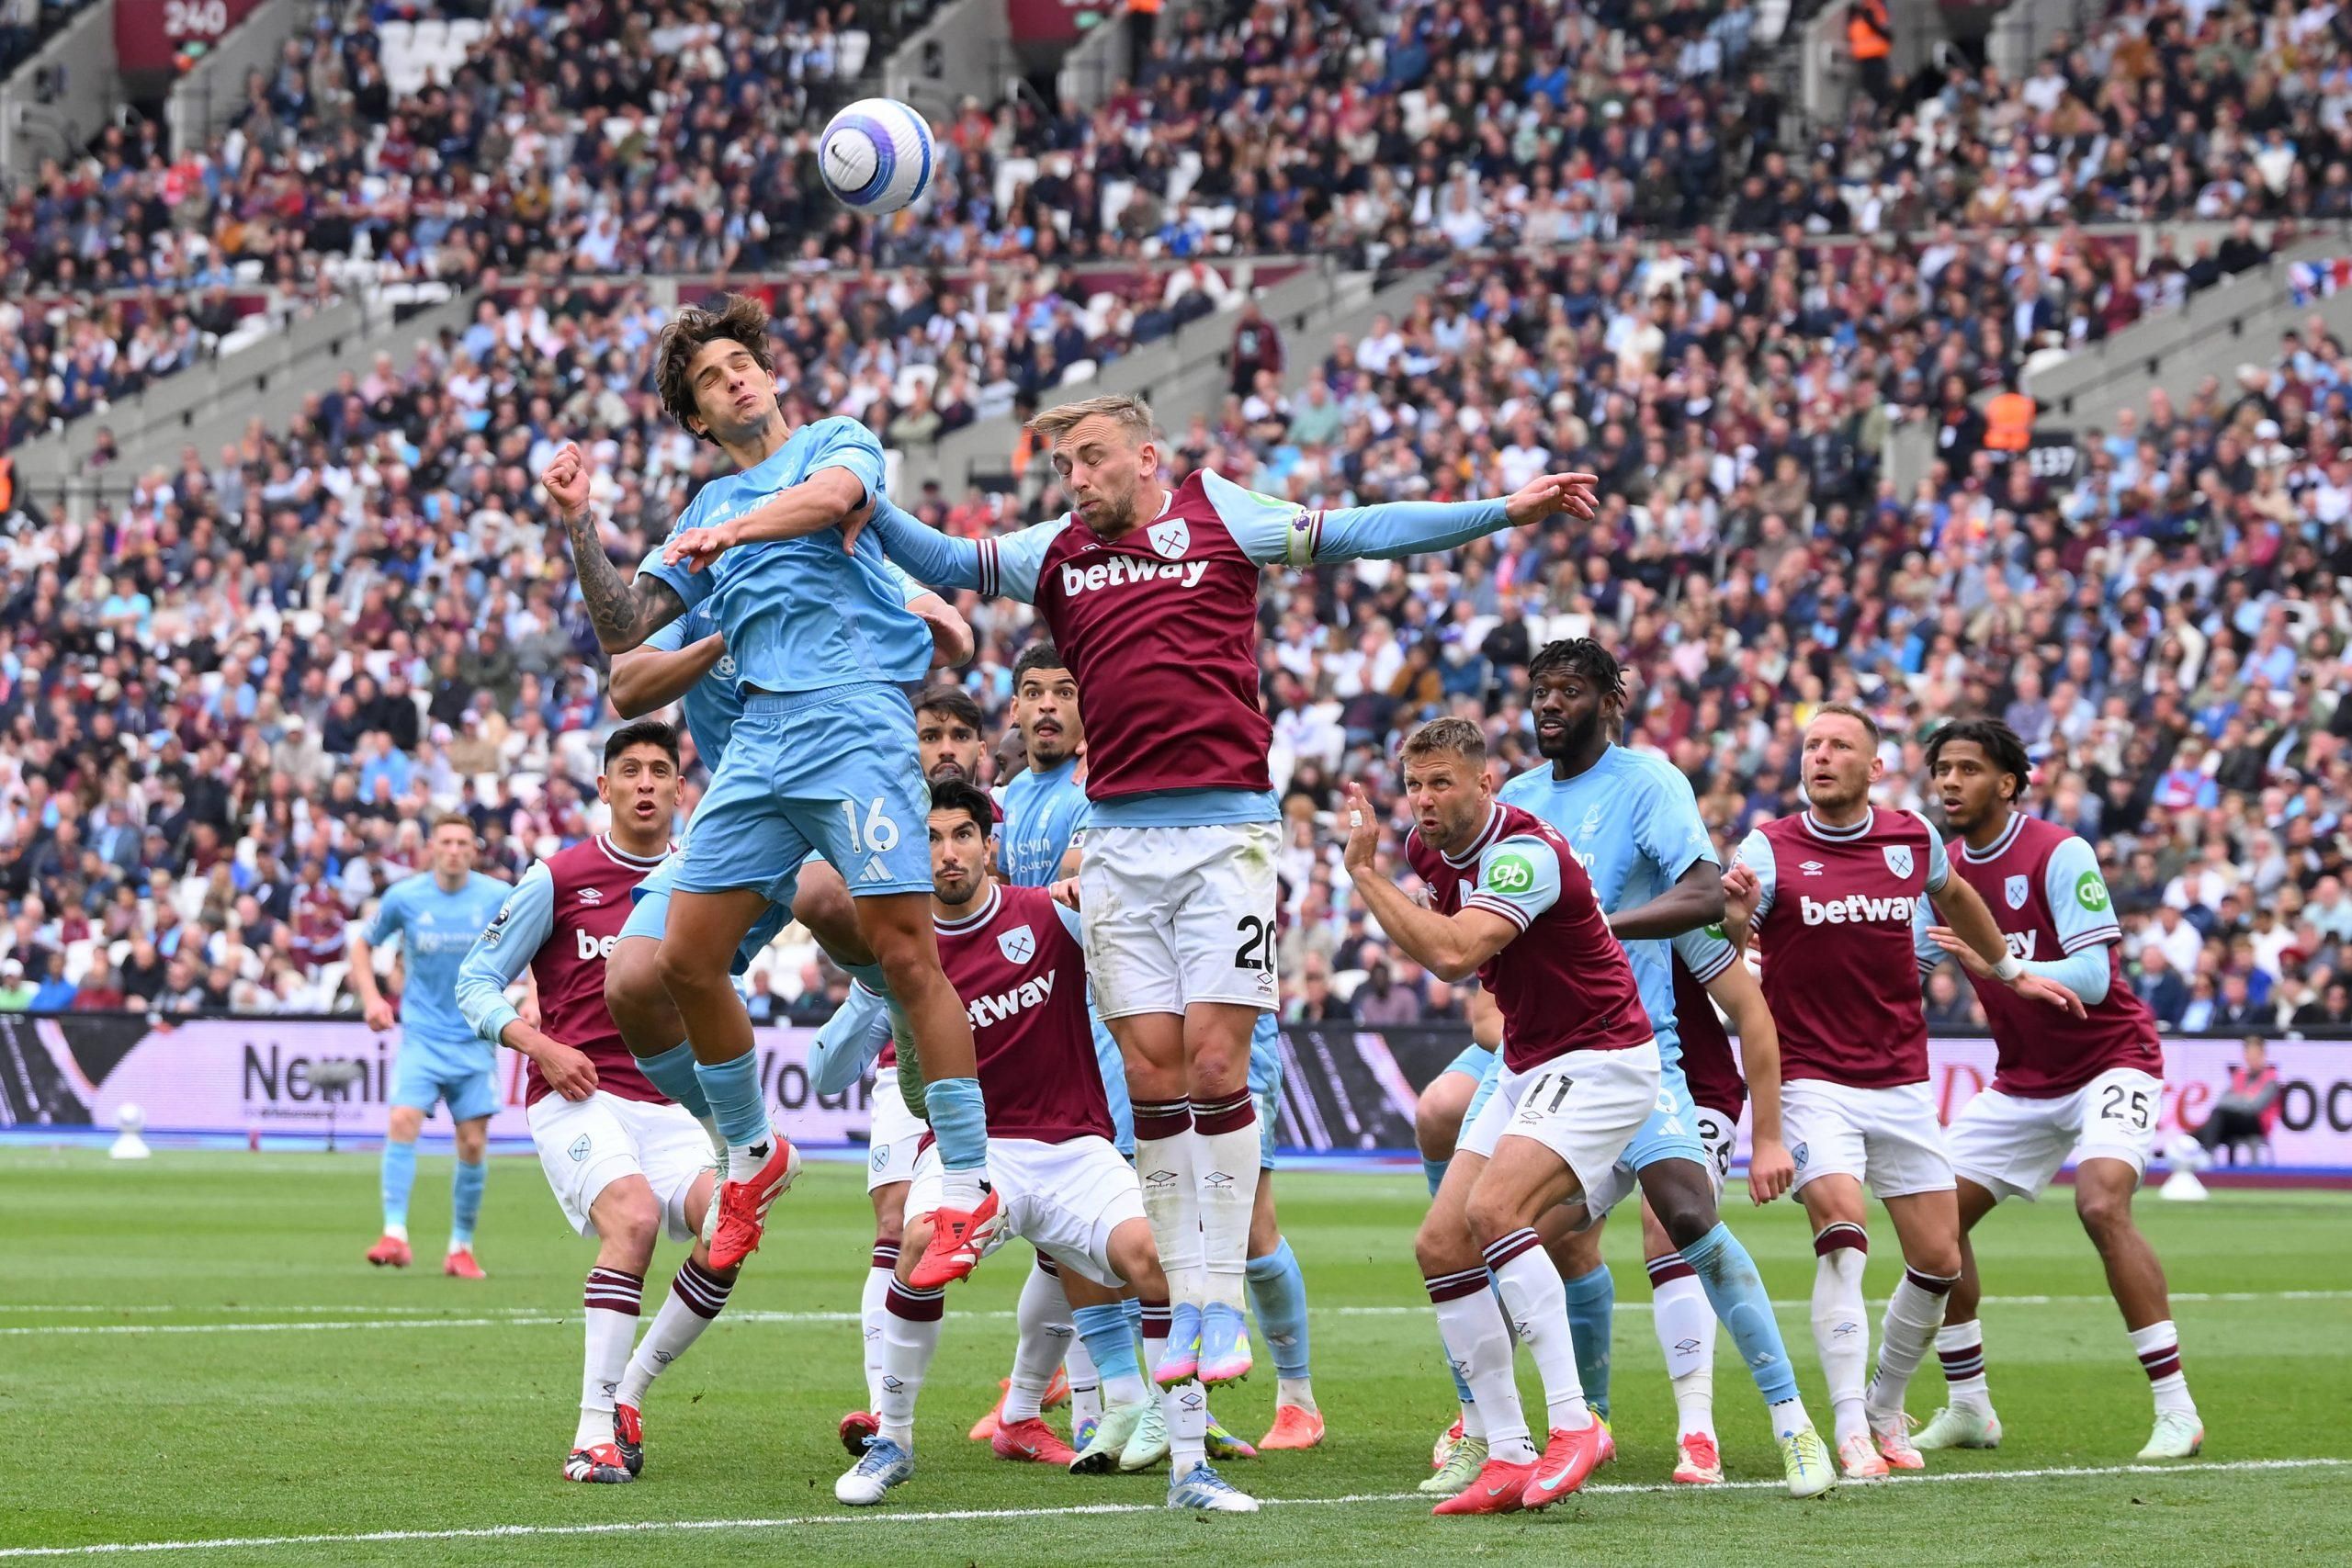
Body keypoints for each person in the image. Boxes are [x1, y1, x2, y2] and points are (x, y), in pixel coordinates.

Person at [709, 390, 1598, 1388]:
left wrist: (1503, 510)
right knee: (1151, 1078)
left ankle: (1216, 1302)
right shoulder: (1055, 551)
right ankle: (1181, 1303)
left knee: (1218, 1065)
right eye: (1061, 467)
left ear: (1143, 457)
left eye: (1089, 460)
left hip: (1228, 835)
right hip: (1120, 840)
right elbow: (954, 565)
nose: (1074, 479)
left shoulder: (1221, 511)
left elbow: (1362, 531)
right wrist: (864, 506)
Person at [540, 292, 995, 1288]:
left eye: (741, 359)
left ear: (770, 372)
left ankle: (966, 1180)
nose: (734, 375)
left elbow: (834, 503)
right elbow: (624, 631)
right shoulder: (703, 511)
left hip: (853, 719)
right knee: (679, 962)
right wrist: (581, 526)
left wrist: (736, 533)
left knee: (906, 952)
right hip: (757, 744)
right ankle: (748, 1153)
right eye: (709, 377)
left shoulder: (838, 443)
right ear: (697, 418)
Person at [820, 781, 1257, 1514]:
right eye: (931, 838)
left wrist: (1107, 902)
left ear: (991, 845)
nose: (948, 852)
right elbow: (826, 1071)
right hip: (971, 1154)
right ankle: (892, 1439)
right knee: (917, 1240)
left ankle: (1189, 1468)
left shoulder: (1051, 914)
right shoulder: (903, 952)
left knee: (1160, 1257)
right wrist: (873, 992)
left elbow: (1151, 950)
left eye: (962, 834)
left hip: (1074, 1148)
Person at [1474, 639, 1825, 1495]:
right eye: (1539, 691)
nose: (1549, 705)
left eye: (1568, 690)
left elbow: (1707, 897)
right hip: (1535, 1061)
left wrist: (1599, 924)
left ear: (1609, 699)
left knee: (1687, 1208)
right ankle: (1515, 1430)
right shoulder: (1514, 800)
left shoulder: (1651, 783)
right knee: (1474, 1235)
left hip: (1636, 1055)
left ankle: (1794, 1424)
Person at [1723, 705, 2084, 1481]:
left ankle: (1886, 1405)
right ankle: (1850, 1424)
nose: (1819, 756)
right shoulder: (1771, 846)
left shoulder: (1911, 838)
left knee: (1940, 1257)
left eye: (1838, 746)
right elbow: (1730, 949)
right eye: (1811, 744)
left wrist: (2012, 971)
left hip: (1901, 1082)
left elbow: (1958, 900)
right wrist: (1732, 916)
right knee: (1845, 1232)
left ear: (1873, 768)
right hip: (1812, 1080)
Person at [1348, 718, 1659, 1517]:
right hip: (1529, 1058)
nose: (1423, 799)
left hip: (1602, 1058)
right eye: (1414, 783)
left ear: (1486, 783)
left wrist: (1363, 876)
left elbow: (1453, 954)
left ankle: (1573, 1424)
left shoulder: (1525, 853)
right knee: (1441, 1241)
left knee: (1495, 1210)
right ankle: (1508, 1450)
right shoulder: (1428, 851)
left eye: (1441, 782)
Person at [454, 721, 742, 1484]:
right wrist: (539, 1044)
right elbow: (473, 982)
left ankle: (630, 1393)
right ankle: (590, 1435)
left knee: (733, 1223)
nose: (646, 783)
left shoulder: (701, 880)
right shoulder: (559, 876)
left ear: (682, 791)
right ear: (606, 786)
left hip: (666, 1104)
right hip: (574, 1094)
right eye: (631, 771)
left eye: (660, 771)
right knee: (636, 1218)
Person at [1909, 718, 2202, 1462]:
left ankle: (2177, 1410)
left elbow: (2095, 976)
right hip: (2023, 1080)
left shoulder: (2058, 849)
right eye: (1942, 767)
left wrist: (1993, 958)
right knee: (1931, 1221)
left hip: (2112, 1056)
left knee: (2101, 1201)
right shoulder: (1937, 870)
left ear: (2007, 783)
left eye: (1968, 768)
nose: (1949, 780)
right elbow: (1904, 972)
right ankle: (1970, 1404)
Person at [349, 813, 510, 1277]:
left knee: (473, 1143)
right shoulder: (405, 897)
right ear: (432, 848)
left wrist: (535, 997)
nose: (455, 849)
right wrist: (373, 998)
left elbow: (536, 943)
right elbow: (362, 946)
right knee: (402, 1119)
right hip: (422, 1034)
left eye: (463, 842)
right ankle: (395, 1234)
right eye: (446, 842)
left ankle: (460, 1247)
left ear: (473, 849)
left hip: (476, 1036)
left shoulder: (497, 896)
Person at [2193, 1037, 2282, 1162]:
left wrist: (2238, 1100)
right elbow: (2222, 1101)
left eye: (2255, 1055)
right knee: (2215, 1119)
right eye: (2249, 1055)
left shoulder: (2271, 1080)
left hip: (2257, 1124)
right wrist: (2245, 1099)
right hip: (2236, 1121)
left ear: (2263, 1055)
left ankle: (2200, 1154)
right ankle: (2196, 1149)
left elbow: (2255, 1107)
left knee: (2218, 1116)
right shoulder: (2240, 1076)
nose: (2252, 1059)